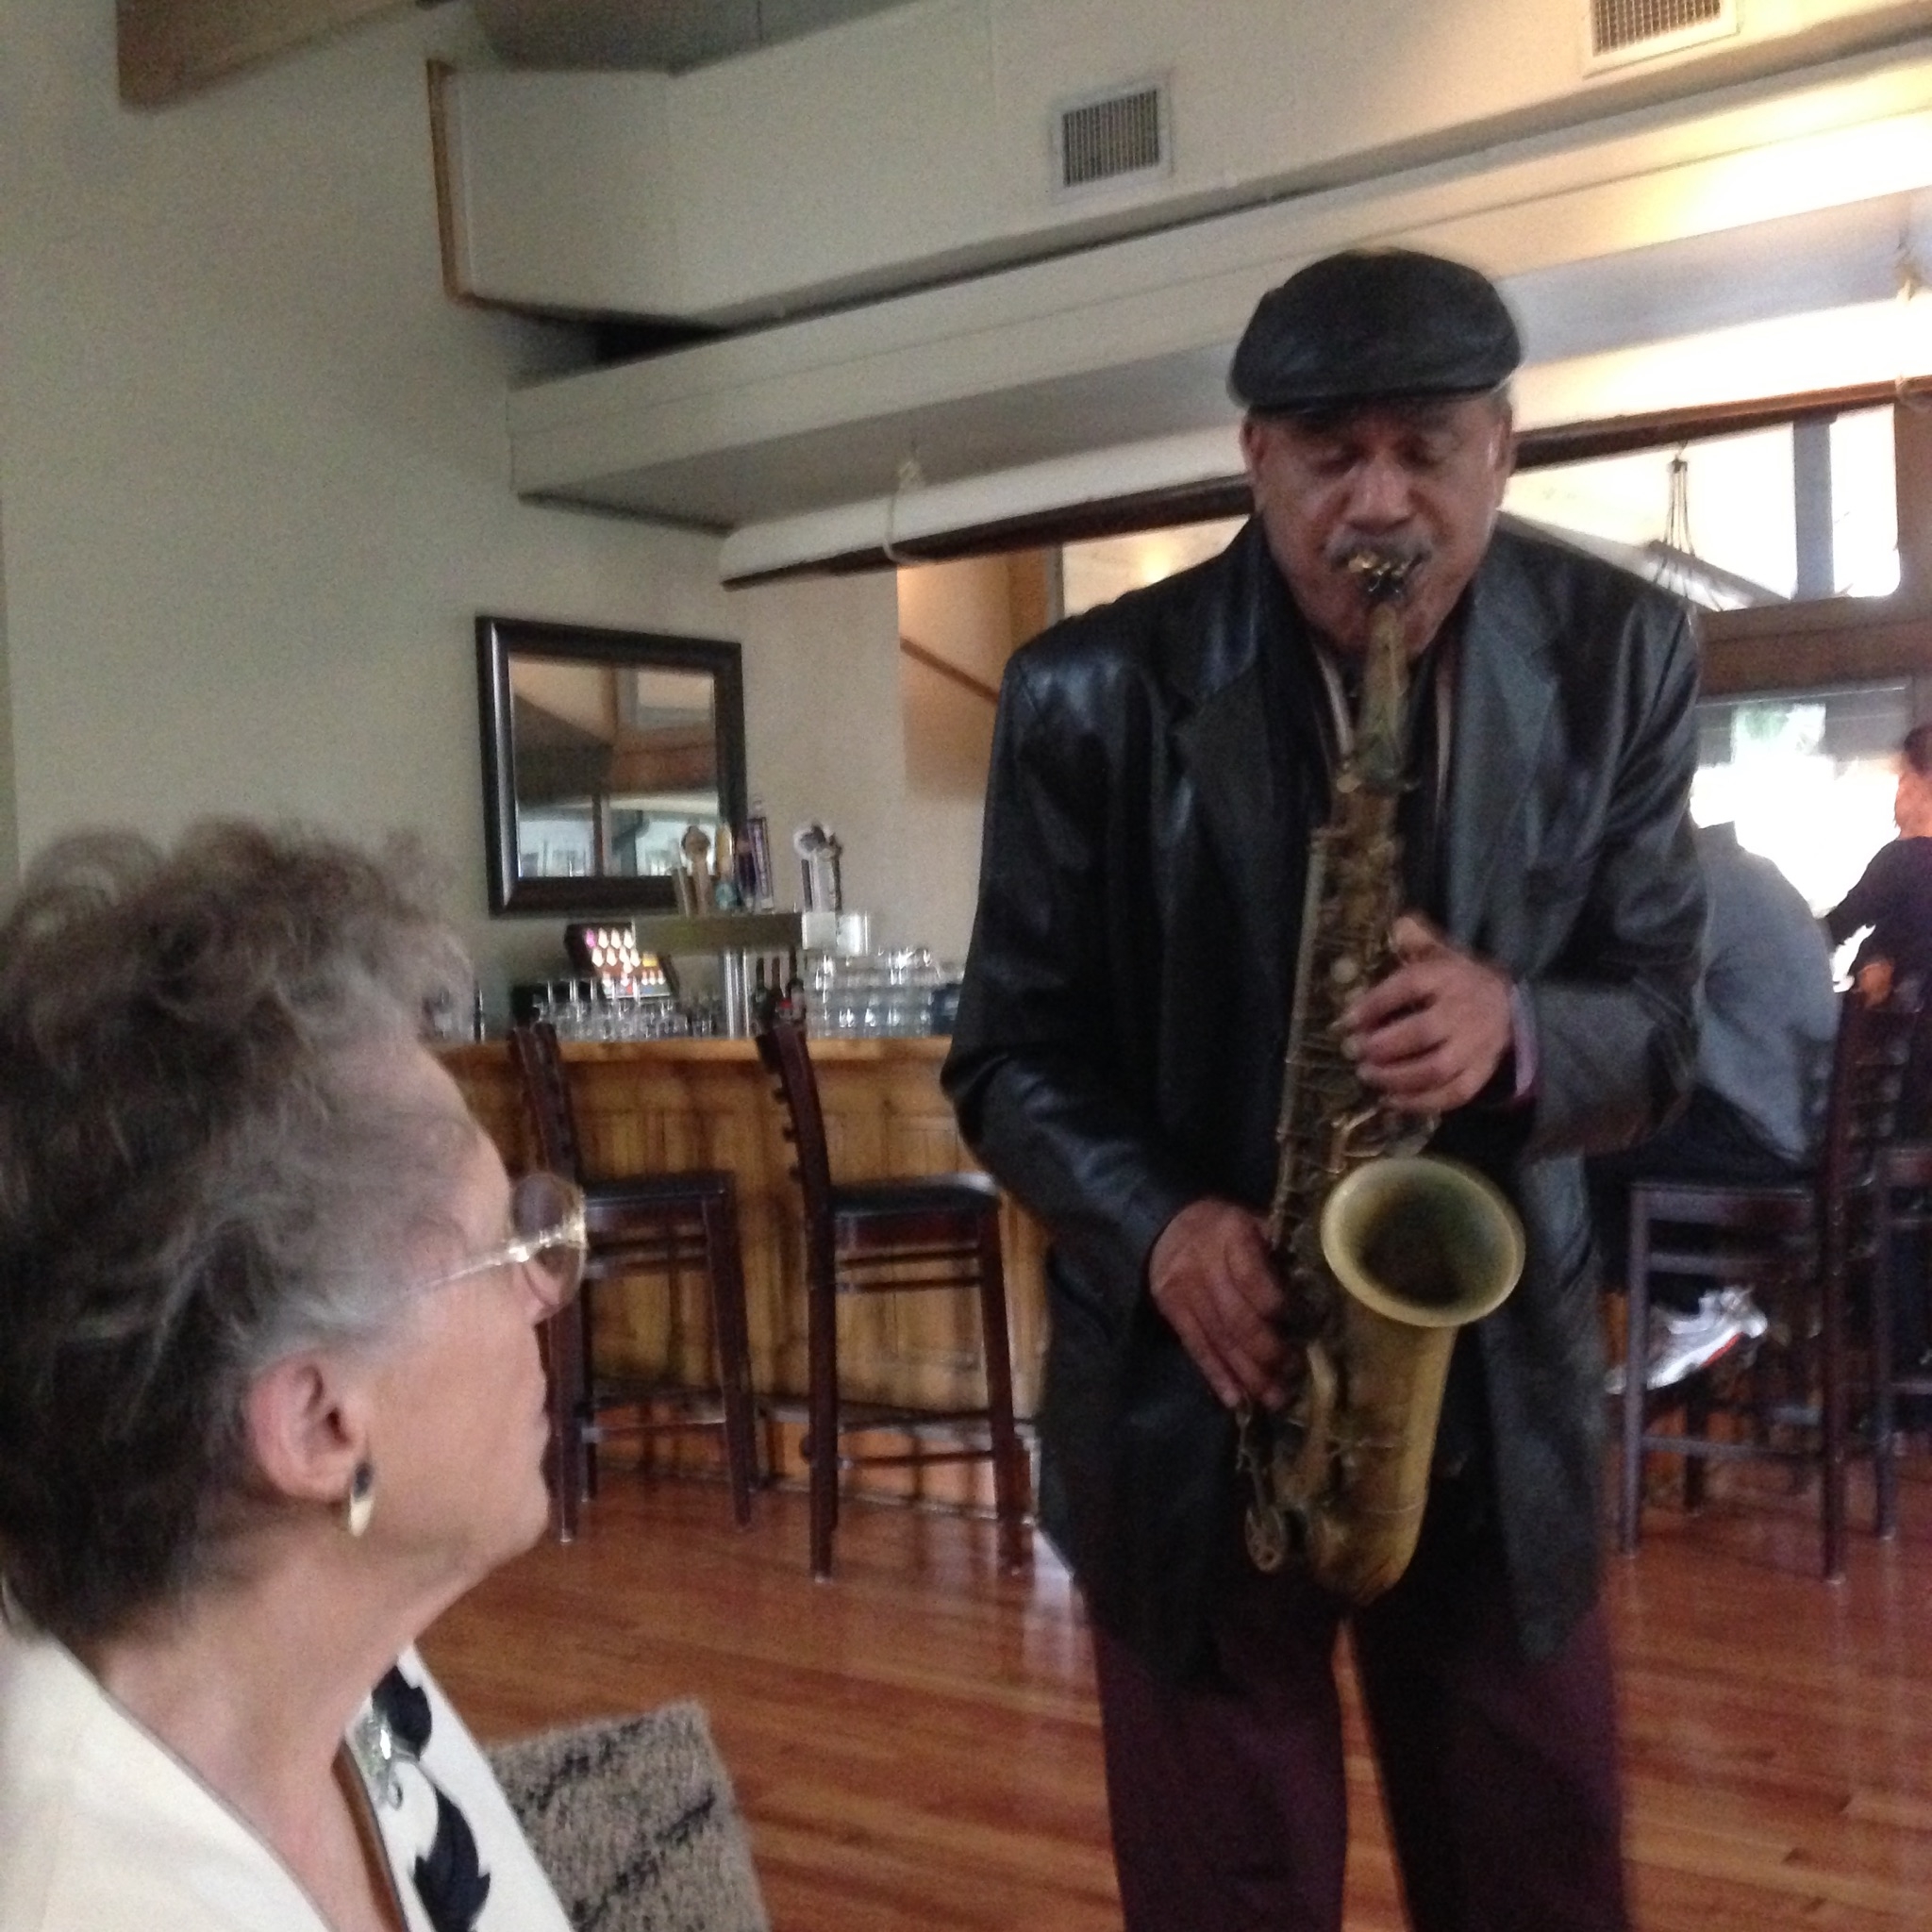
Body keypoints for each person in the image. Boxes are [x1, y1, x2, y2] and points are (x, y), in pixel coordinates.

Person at [942, 248, 1705, 1932]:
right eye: (1326, 453)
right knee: (1225, 1895)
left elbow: (1661, 1027)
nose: (1377, 504)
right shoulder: (1085, 689)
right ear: (1253, 457)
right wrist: (1160, 1226)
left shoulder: (1624, 652)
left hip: (1489, 1391)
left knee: (1539, 1881)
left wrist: (1516, 1027)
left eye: (1423, 450)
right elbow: (1004, 1056)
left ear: (1501, 447)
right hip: (1190, 1395)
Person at [0, 822, 588, 1932]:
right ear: (319, 1426)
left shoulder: (343, 1677)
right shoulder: (105, 1897)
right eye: (506, 1250)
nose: (546, 1291)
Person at [1591, 821, 1840, 1391]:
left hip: (1764, 1139)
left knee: (1568, 1143)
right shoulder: (1752, 873)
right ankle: (1704, 1297)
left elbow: (1647, 1013)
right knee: (1621, 1130)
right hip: (1795, 1132)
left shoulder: (1698, 887)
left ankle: (1692, 1305)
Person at [1824, 722, 1932, 1001]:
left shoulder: (1904, 860)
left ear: (1917, 784)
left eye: (1903, 777)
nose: (1899, 790)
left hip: (1903, 1022)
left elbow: (1836, 927)